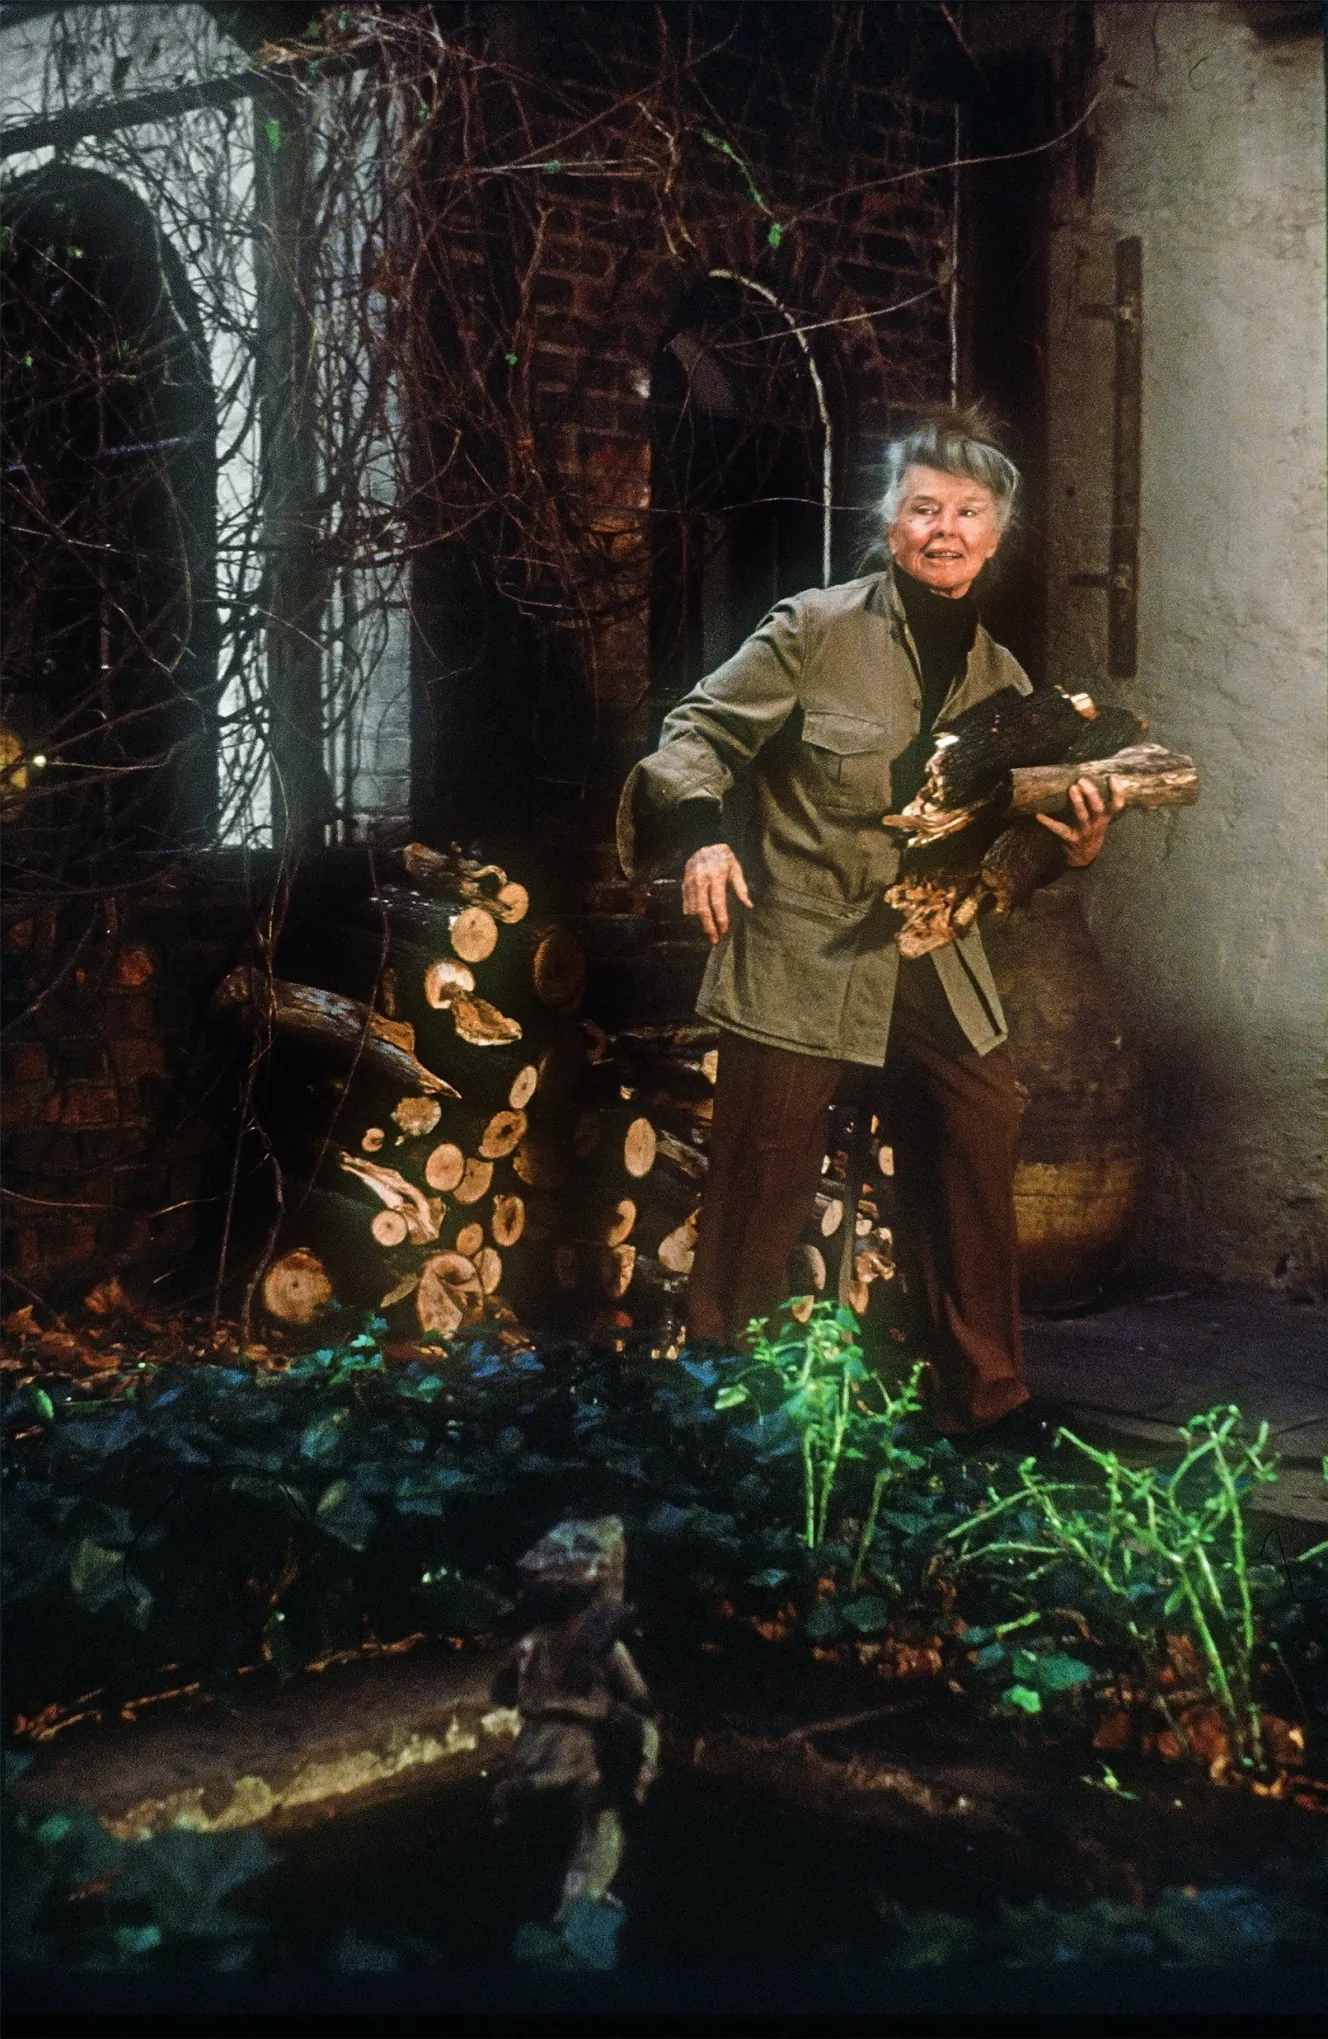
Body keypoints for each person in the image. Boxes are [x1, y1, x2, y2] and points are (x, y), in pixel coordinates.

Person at [617, 407, 1123, 1442]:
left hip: (928, 951)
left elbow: (1003, 854)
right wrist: (703, 840)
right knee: (760, 1177)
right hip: (801, 945)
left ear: (997, 533)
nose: (945, 530)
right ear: (888, 522)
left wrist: (1070, 847)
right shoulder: (813, 628)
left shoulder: (1005, 684)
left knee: (982, 1119)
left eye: (968, 512)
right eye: (924, 508)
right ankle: (728, 1403)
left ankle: (984, 1398)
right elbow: (693, 732)